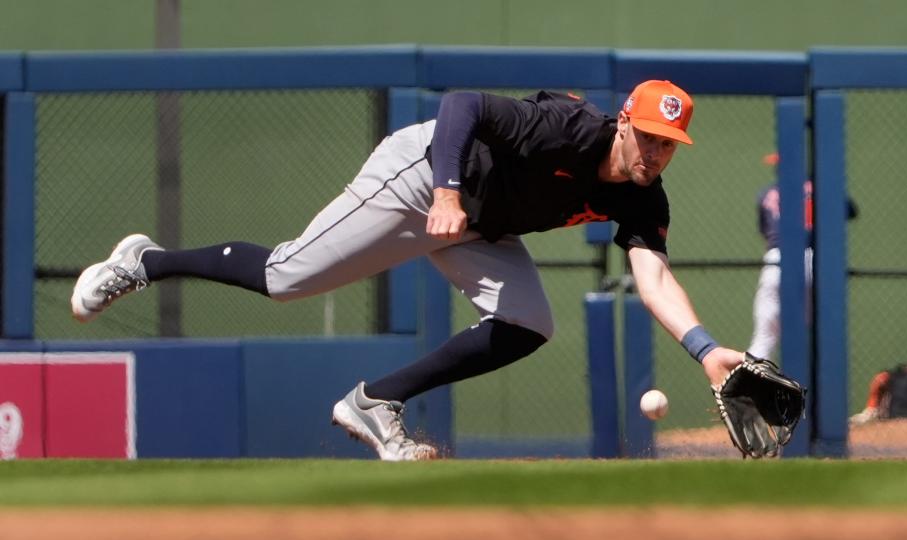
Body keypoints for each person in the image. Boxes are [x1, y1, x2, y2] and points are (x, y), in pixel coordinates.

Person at [71, 79, 746, 461]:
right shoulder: (568, 129)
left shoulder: (643, 195)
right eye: (651, 138)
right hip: (423, 174)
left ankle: (374, 402)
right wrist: (447, 191)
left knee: (530, 321)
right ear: (625, 122)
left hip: (480, 222)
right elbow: (463, 105)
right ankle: (145, 261)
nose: (656, 155)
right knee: (286, 279)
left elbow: (652, 274)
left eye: (671, 146)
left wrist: (706, 351)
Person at [747, 153, 857, 360]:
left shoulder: (767, 193)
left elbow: (765, 231)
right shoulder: (819, 188)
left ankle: (750, 389)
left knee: (764, 337)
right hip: (814, 261)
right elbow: (850, 210)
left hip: (776, 260)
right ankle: (817, 387)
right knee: (815, 335)